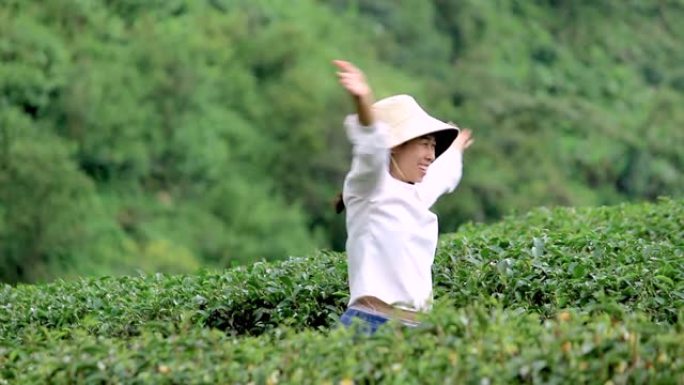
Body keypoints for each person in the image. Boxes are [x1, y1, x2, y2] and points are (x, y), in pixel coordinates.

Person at [333, 59, 474, 334]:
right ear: (395, 147)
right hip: (372, 325)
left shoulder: (415, 193)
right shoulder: (369, 188)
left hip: (416, 328)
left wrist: (455, 149)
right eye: (424, 144)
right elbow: (371, 147)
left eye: (433, 146)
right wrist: (364, 101)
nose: (431, 156)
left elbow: (441, 176)